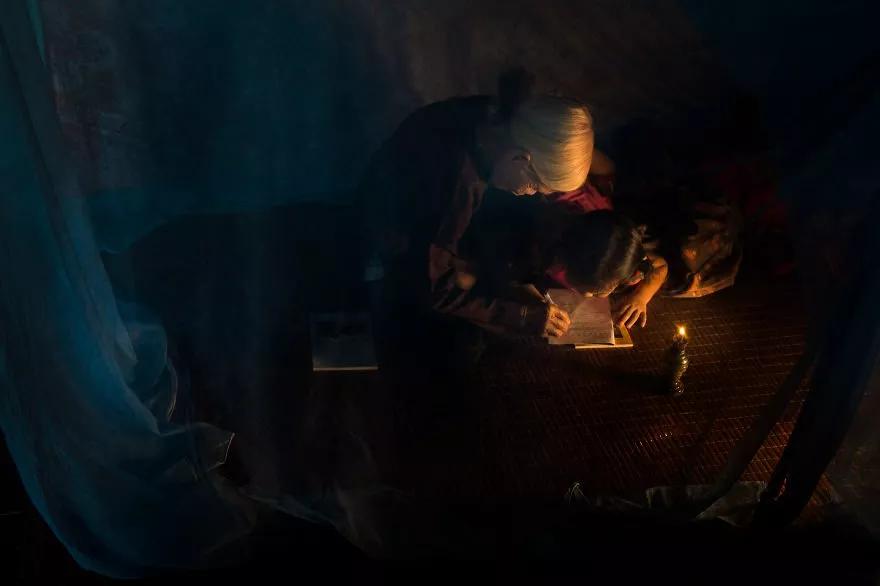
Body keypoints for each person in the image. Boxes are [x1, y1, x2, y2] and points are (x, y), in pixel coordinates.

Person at [358, 76, 596, 352]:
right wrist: (519, 315)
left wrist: (508, 284)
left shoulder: (498, 119)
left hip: (421, 217)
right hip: (386, 239)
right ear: (520, 158)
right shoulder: (455, 181)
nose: (531, 193)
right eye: (535, 186)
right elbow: (433, 289)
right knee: (462, 348)